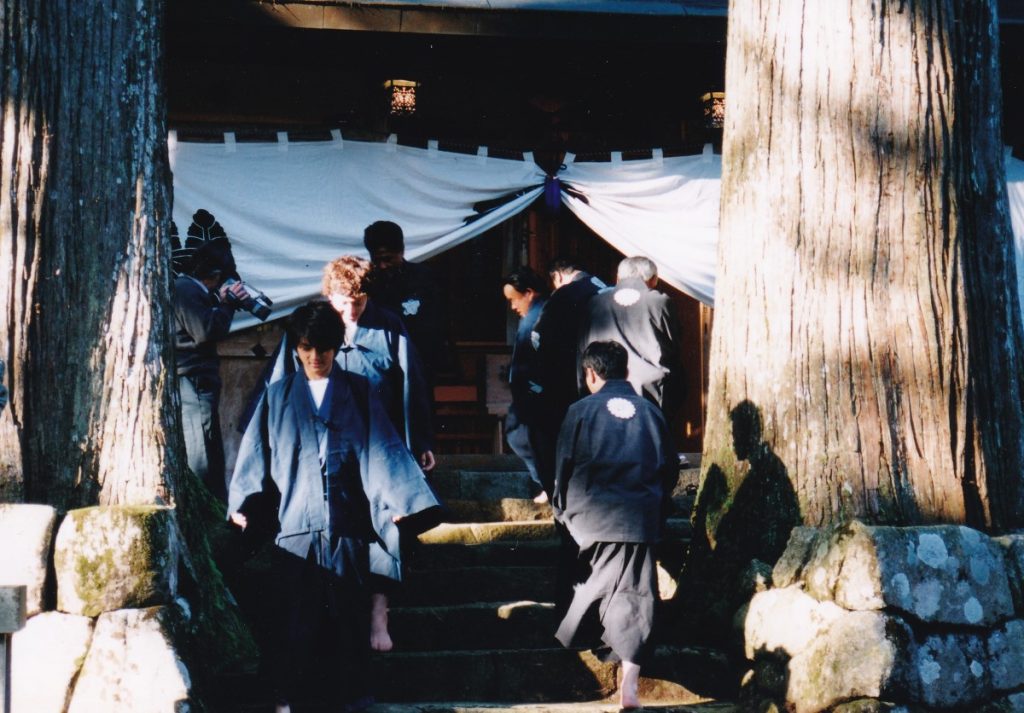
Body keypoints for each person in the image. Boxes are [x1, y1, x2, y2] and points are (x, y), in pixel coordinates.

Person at [228, 302, 441, 713]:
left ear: (335, 346)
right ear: (296, 349)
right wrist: (243, 503)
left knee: (346, 615)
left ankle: (351, 698)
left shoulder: (359, 391)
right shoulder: (277, 396)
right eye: (307, 348)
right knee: (293, 617)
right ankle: (287, 697)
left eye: (323, 348)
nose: (315, 357)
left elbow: (383, 451)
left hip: (347, 522)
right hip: (294, 522)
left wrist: (399, 500)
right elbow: (255, 457)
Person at [552, 340, 678, 710]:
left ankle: (604, 652)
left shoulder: (579, 411)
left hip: (590, 520)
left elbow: (562, 471)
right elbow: (668, 468)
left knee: (604, 589)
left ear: (591, 374)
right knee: (637, 594)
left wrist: (562, 512)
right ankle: (631, 681)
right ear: (626, 371)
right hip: (640, 516)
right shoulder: (651, 413)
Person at [174, 241, 247, 500]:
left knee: (208, 445)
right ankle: (206, 507)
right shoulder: (184, 289)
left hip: (197, 381)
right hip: (192, 382)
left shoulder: (188, 290)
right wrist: (227, 304)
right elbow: (205, 332)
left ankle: (214, 506)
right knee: (201, 451)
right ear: (215, 275)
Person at [580, 256, 684, 420]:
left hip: (602, 386)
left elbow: (583, 349)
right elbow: (674, 346)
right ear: (653, 280)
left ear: (618, 278)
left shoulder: (594, 302)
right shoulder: (660, 302)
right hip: (650, 391)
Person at [363, 220, 449, 384]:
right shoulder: (367, 281)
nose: (382, 265)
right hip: (380, 364)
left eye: (388, 258)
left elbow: (438, 322)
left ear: (401, 251)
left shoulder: (425, 278)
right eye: (376, 260)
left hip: (421, 361)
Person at [501, 267, 550, 502]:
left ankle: (548, 482)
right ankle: (548, 482)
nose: (512, 306)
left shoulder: (540, 316)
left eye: (514, 299)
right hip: (532, 390)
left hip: (537, 390)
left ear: (529, 293)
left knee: (521, 434)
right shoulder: (538, 315)